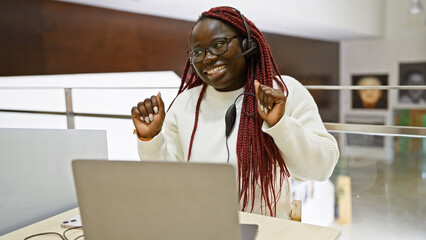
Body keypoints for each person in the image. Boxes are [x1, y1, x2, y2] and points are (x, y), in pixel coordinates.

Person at [131, 6, 339, 219]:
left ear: (247, 44)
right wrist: (150, 139)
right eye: (198, 52)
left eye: (219, 45)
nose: (208, 58)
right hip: (202, 227)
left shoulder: (284, 92)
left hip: (267, 232)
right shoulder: (184, 104)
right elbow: (169, 182)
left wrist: (281, 125)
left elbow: (320, 169)